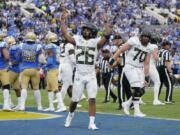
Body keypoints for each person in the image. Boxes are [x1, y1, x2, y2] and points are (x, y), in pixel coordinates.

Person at [61, 9, 110, 130]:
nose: (85, 31)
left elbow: (107, 34)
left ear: (92, 32)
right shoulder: (77, 39)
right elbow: (65, 34)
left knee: (92, 98)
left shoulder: (95, 42)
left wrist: (106, 22)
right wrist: (62, 20)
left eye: (87, 29)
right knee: (75, 100)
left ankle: (91, 122)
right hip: (79, 74)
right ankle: (70, 115)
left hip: (91, 74)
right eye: (84, 29)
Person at [109, 29, 152, 117]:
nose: (145, 39)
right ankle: (137, 111)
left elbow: (146, 63)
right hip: (130, 66)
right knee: (137, 89)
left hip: (139, 68)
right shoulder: (134, 40)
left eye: (147, 37)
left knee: (141, 91)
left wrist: (146, 76)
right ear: (141, 37)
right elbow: (121, 50)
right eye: (144, 37)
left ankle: (127, 104)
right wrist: (112, 59)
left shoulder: (149, 47)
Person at [18, 32, 44, 111]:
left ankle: (22, 106)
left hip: (25, 69)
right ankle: (39, 106)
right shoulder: (38, 46)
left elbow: (19, 58)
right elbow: (41, 60)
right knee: (36, 88)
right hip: (35, 69)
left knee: (24, 88)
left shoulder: (21, 45)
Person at [43, 32, 66, 112]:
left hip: (52, 68)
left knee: (55, 89)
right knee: (49, 89)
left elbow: (50, 58)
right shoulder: (56, 46)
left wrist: (45, 66)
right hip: (55, 68)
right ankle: (51, 106)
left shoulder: (50, 46)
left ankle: (62, 106)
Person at [149, 33, 164, 105]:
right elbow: (155, 57)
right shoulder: (154, 46)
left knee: (142, 83)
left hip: (143, 66)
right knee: (157, 82)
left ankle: (138, 99)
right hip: (150, 65)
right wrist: (160, 59)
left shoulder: (147, 45)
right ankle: (155, 100)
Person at [6, 36, 21, 110]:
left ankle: (9, 103)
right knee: (16, 88)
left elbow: (17, 59)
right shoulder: (17, 47)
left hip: (13, 70)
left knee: (6, 86)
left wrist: (10, 64)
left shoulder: (13, 48)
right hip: (17, 70)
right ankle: (20, 104)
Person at [0, 31, 12, 111]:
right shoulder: (3, 44)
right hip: (2, 67)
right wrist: (9, 62)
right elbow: (6, 56)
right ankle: (6, 105)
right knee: (6, 86)